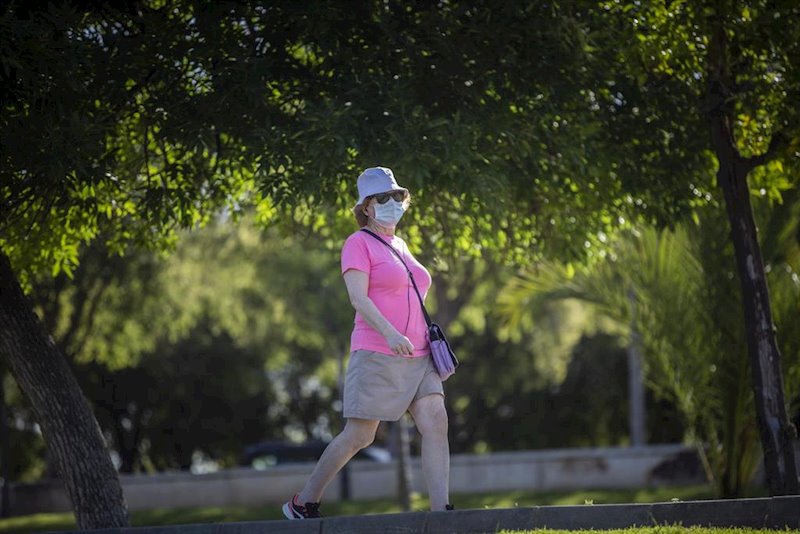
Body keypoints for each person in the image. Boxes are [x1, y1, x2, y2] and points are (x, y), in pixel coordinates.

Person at [282, 167, 452, 519]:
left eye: (396, 196)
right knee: (359, 436)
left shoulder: (400, 245)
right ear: (367, 208)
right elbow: (358, 299)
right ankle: (303, 502)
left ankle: (442, 514)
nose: (392, 203)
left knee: (436, 420)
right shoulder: (357, 243)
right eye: (382, 198)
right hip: (378, 351)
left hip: (419, 355)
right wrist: (391, 333)